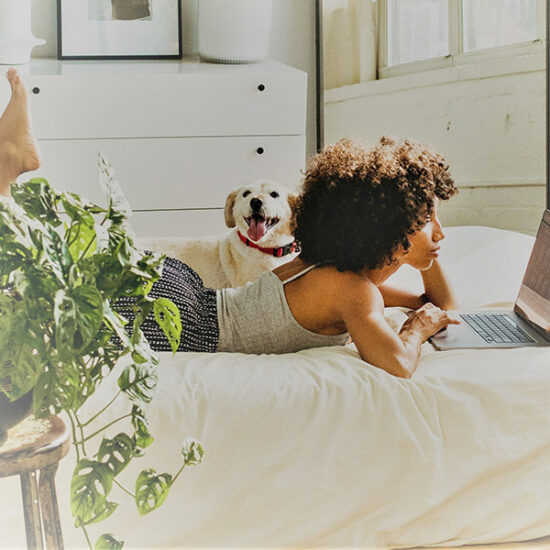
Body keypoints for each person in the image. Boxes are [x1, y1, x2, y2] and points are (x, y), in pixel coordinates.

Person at [0, 69, 459, 379]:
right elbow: (397, 362)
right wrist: (415, 327)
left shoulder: (336, 273)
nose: (439, 232)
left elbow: (441, 305)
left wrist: (425, 253)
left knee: (45, 275)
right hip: (186, 321)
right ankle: (8, 170)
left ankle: (9, 173)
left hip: (184, 294)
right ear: (385, 231)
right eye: (425, 218)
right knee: (35, 290)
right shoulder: (354, 292)